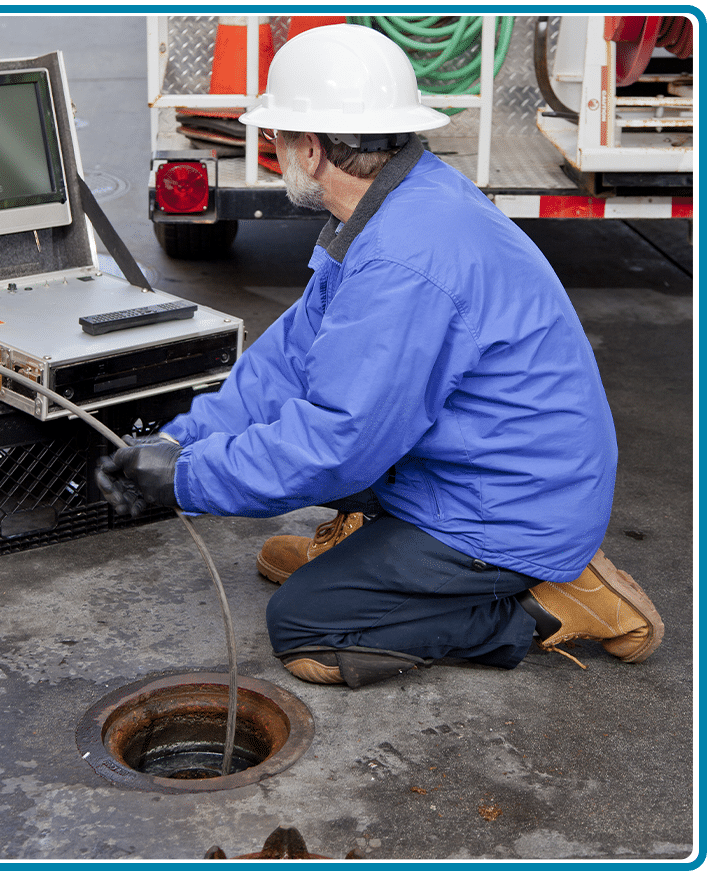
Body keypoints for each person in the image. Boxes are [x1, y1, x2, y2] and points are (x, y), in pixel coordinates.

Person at [97, 24, 663, 687]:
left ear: (310, 149)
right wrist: (176, 441)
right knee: (296, 440)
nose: (276, 154)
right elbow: (284, 366)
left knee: (308, 627)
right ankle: (380, 555)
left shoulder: (403, 261)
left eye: (278, 139)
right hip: (485, 461)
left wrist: (184, 481)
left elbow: (337, 443)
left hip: (508, 507)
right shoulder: (391, 204)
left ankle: (547, 605)